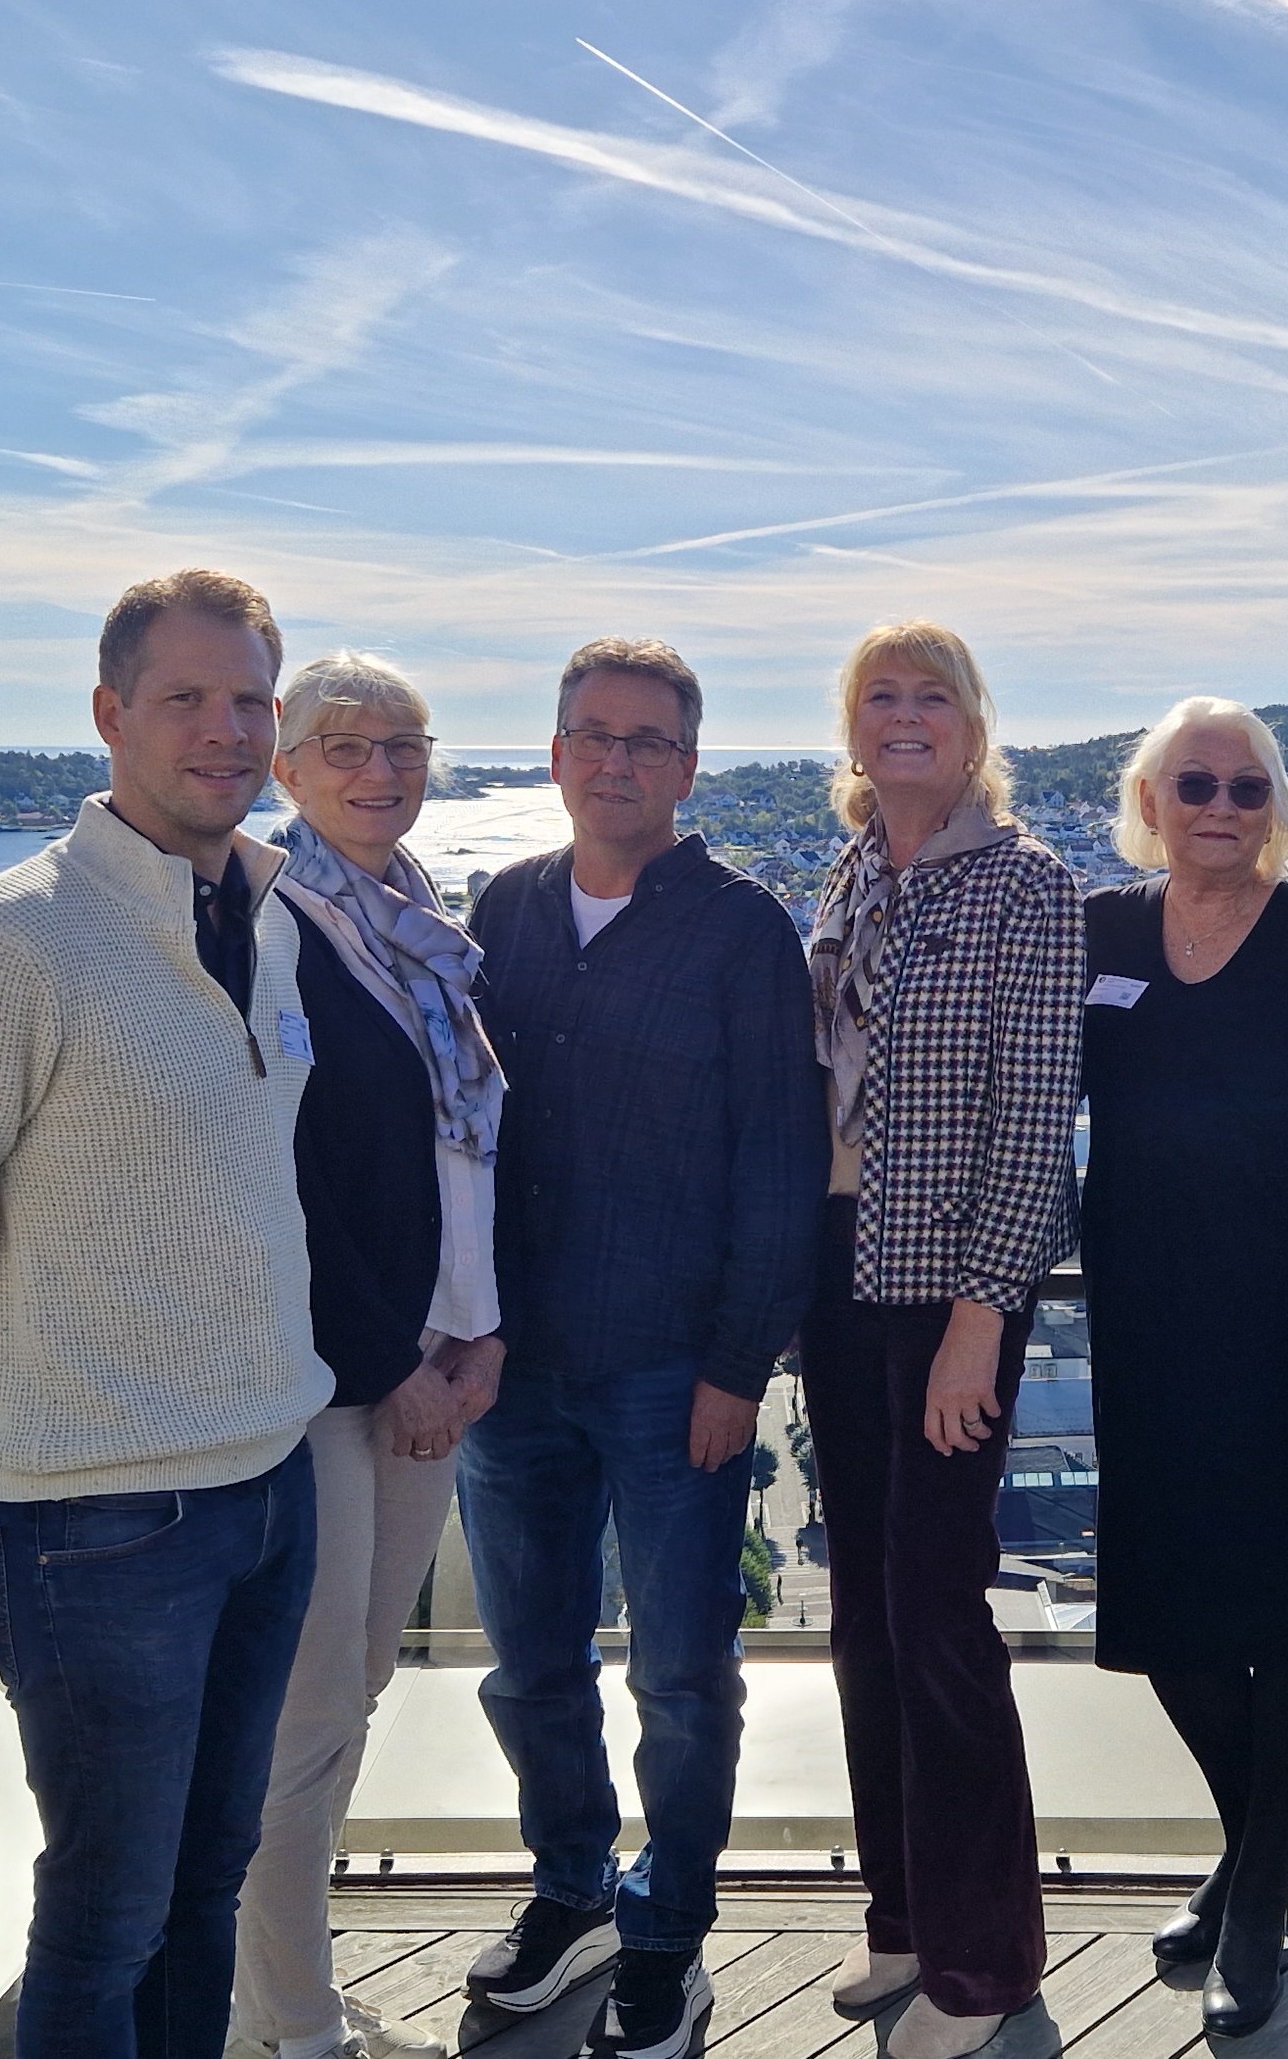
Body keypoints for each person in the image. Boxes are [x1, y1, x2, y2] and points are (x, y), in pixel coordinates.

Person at [0, 569, 331, 2059]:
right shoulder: (7, 945)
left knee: (206, 1879)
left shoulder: (264, 917)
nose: (224, 730)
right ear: (110, 714)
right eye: (185, 698)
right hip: (100, 1518)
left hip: (269, 1479)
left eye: (249, 700)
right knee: (107, 1916)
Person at [458, 639, 828, 2059]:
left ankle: (668, 1931)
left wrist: (740, 1366)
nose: (617, 762)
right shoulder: (507, 905)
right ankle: (573, 1891)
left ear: (689, 766)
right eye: (594, 736)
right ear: (556, 754)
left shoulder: (741, 930)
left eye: (649, 741)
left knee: (680, 1677)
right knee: (528, 1665)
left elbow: (779, 1163)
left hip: (673, 1369)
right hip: (513, 1367)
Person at [1077, 698, 1288, 2039]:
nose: (1219, 807)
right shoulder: (1103, 932)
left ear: (1272, 806)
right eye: (1193, 784)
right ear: (1150, 800)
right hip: (1152, 1325)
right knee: (1170, 1606)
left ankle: (1258, 1892)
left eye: (1244, 787)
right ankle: (1259, 1848)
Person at [802, 620, 1082, 2059]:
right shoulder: (852, 871)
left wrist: (983, 1318)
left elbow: (1034, 1129)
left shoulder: (1026, 884)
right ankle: (904, 1919)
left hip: (947, 1292)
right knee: (864, 1614)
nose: (904, 719)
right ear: (852, 727)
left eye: (931, 698)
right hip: (836, 1274)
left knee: (938, 1617)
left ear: (974, 727)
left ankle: (986, 1968)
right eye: (880, 698)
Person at [230, 652, 510, 2059]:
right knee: (309, 1711)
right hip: (324, 1377)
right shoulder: (265, 923)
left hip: (434, 1349)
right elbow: (281, 1178)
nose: (380, 769)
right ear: (285, 767)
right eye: (343, 745)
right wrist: (394, 1362)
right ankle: (288, 2026)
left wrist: (480, 1327)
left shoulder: (416, 917)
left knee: (362, 1689)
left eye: (403, 744)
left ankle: (281, 1994)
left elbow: (463, 1156)